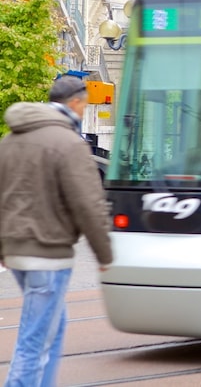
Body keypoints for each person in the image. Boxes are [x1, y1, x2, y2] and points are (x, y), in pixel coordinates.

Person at [0, 76, 114, 386]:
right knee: (35, 338)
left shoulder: (9, 141)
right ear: (75, 103)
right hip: (47, 252)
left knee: (54, 324)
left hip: (17, 250)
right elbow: (89, 204)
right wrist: (104, 253)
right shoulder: (68, 143)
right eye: (85, 104)